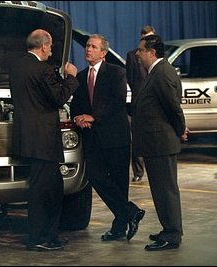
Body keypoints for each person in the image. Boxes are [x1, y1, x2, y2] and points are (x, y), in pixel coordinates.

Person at [70, 34, 145, 242]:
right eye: (87, 46)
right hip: (92, 139)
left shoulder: (117, 72)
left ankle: (119, 227)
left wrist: (93, 117)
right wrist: (78, 117)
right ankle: (130, 212)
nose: (88, 49)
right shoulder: (81, 76)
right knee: (95, 176)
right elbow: (77, 104)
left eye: (93, 47)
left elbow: (117, 101)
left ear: (103, 52)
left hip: (116, 137)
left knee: (120, 183)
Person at [9, 29, 79, 251]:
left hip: (27, 138)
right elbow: (58, 98)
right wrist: (71, 78)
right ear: (43, 46)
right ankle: (41, 238)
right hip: (44, 140)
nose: (52, 50)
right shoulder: (43, 70)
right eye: (50, 46)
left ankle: (43, 235)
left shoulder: (17, 67)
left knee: (42, 188)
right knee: (46, 191)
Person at [132, 34, 189, 251]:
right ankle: (169, 229)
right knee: (161, 190)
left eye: (140, 50)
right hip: (156, 143)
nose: (137, 54)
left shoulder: (162, 73)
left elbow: (173, 107)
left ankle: (172, 235)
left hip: (161, 142)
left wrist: (180, 129)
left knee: (166, 190)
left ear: (151, 52)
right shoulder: (157, 72)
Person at [126, 25, 156, 183]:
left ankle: (153, 169)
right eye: (146, 39)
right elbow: (130, 78)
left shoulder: (161, 58)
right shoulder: (132, 55)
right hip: (138, 102)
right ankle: (138, 171)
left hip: (154, 104)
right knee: (136, 139)